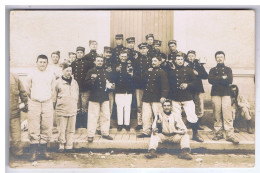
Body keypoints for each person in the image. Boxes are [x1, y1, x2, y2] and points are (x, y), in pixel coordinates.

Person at [168, 53, 204, 143]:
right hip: (175, 97)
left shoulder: (189, 70)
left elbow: (196, 82)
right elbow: (169, 85)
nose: (179, 61)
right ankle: (179, 134)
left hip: (187, 96)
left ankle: (195, 134)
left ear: (183, 60)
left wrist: (187, 85)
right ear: (175, 61)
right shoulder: (171, 72)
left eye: (181, 59)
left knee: (192, 115)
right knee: (176, 116)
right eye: (178, 59)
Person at [25, 54, 56, 161]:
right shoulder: (31, 74)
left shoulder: (51, 75)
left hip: (47, 102)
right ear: (37, 62)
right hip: (34, 103)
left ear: (47, 63)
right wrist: (34, 98)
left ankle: (44, 151)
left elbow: (53, 89)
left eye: (44, 62)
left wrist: (48, 99)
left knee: (46, 126)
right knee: (34, 125)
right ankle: (33, 152)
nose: (42, 64)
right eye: (40, 62)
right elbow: (27, 89)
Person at [208, 51, 239, 144]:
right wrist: (222, 78)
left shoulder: (228, 69)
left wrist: (217, 79)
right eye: (218, 57)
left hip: (226, 93)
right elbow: (210, 80)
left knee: (227, 114)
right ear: (215, 59)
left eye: (221, 57)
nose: (219, 58)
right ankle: (218, 134)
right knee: (217, 114)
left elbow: (229, 80)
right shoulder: (212, 70)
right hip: (215, 94)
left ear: (224, 58)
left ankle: (230, 135)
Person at [137, 55, 169, 138]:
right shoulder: (149, 71)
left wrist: (163, 96)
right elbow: (142, 81)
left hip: (157, 97)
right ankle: (146, 132)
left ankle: (160, 132)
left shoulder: (162, 72)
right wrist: (146, 72)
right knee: (146, 115)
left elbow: (165, 86)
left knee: (158, 115)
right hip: (147, 97)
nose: (153, 63)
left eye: (155, 61)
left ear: (159, 62)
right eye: (152, 61)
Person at [85, 55, 114, 142]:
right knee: (93, 116)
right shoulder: (91, 71)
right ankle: (90, 134)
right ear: (95, 62)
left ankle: (105, 133)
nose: (100, 62)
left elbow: (110, 83)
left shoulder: (106, 72)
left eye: (101, 61)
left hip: (104, 97)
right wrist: (92, 80)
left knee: (105, 115)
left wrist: (111, 86)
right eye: (98, 61)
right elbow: (86, 84)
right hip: (94, 97)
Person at [53, 63, 79, 152]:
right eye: (67, 70)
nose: (69, 73)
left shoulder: (74, 82)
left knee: (71, 129)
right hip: (61, 110)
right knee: (61, 129)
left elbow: (77, 95)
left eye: (70, 71)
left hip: (72, 109)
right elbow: (54, 97)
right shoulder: (57, 82)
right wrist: (55, 108)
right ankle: (61, 145)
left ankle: (69, 146)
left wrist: (76, 105)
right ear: (63, 71)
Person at [186, 50, 208, 129]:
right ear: (187, 57)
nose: (191, 57)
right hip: (189, 89)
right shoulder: (185, 64)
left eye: (192, 56)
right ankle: (189, 123)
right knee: (189, 106)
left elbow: (206, 76)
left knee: (199, 106)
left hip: (198, 88)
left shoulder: (198, 65)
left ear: (195, 56)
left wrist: (197, 73)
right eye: (189, 56)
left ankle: (198, 124)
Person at [114, 50, 135, 131]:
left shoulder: (130, 65)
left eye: (125, 56)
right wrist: (116, 71)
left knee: (127, 107)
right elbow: (112, 77)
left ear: (127, 57)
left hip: (128, 89)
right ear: (119, 57)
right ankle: (120, 124)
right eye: (122, 56)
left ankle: (127, 124)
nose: (123, 58)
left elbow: (133, 77)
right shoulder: (116, 65)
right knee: (119, 107)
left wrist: (132, 74)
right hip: (119, 89)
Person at [9, 72, 28, 158]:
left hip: (14, 112)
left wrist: (25, 103)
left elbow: (23, 92)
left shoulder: (15, 77)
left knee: (16, 135)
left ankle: (17, 152)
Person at [134, 43, 152, 131]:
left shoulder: (151, 59)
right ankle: (139, 123)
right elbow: (135, 74)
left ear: (148, 49)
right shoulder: (136, 60)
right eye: (141, 49)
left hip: (149, 85)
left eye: (145, 48)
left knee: (149, 104)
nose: (143, 50)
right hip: (139, 85)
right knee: (139, 105)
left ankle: (149, 123)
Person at [71, 46, 89, 129]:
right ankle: (77, 123)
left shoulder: (88, 63)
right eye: (78, 53)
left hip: (85, 88)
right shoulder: (73, 64)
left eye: (81, 53)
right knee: (77, 106)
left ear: (84, 54)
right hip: (76, 88)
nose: (79, 54)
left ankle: (85, 123)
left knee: (84, 106)